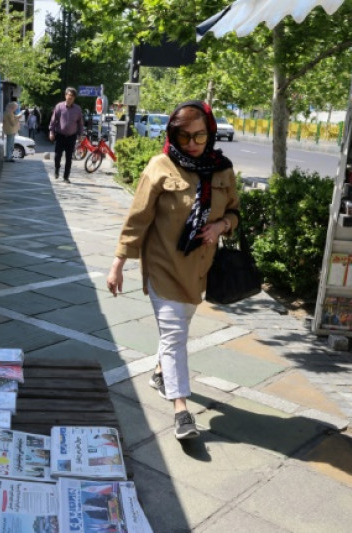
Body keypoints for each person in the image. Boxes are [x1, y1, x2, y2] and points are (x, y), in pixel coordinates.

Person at [105, 100, 240, 440]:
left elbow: (235, 213)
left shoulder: (223, 170)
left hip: (199, 270)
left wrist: (221, 226)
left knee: (176, 331)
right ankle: (181, 409)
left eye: (200, 136)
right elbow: (138, 219)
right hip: (163, 265)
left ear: (210, 133)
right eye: (184, 137)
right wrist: (118, 262)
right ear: (172, 135)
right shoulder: (160, 166)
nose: (193, 144)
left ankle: (160, 372)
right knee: (175, 335)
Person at [48, 87, 85, 183]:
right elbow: (53, 120)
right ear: (65, 96)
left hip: (71, 137)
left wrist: (80, 135)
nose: (70, 98)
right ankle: (57, 169)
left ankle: (66, 177)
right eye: (69, 95)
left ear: (74, 98)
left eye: (72, 96)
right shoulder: (59, 107)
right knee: (57, 156)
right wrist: (51, 132)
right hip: (60, 135)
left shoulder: (77, 109)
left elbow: (80, 123)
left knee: (69, 158)